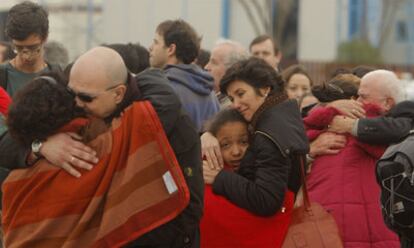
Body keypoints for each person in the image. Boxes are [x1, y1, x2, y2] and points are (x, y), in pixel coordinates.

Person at [0, 47, 203, 248]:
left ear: (118, 93)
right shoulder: (77, 86)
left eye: (87, 98)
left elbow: (187, 208)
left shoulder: (157, 120)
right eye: (72, 93)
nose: (77, 104)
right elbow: (8, 141)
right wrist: (41, 145)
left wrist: (113, 232)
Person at [202, 57, 308, 244]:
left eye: (241, 94)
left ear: (265, 89)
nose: (235, 104)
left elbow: (266, 200)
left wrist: (220, 178)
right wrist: (209, 133)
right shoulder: (283, 116)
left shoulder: (268, 133)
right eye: (232, 98)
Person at [305, 70, 402, 247]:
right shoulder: (319, 132)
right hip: (366, 228)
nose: (357, 103)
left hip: (322, 227)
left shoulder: (379, 131)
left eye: (362, 97)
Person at [200, 108, 293, 247]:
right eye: (225, 145)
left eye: (244, 142)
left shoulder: (268, 166)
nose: (236, 152)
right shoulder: (206, 173)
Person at [149, 19, 219, 132]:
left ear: (171, 49)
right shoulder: (209, 91)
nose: (150, 47)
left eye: (156, 42)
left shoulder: (163, 89)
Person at [0, 1, 61, 97]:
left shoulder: (57, 76)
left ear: (45, 38)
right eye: (18, 47)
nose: (26, 56)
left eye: (32, 47)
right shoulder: (2, 75)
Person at [204, 39, 249, 108]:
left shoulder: (235, 107)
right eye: (209, 61)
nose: (206, 67)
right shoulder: (211, 98)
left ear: (232, 69)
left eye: (214, 62)